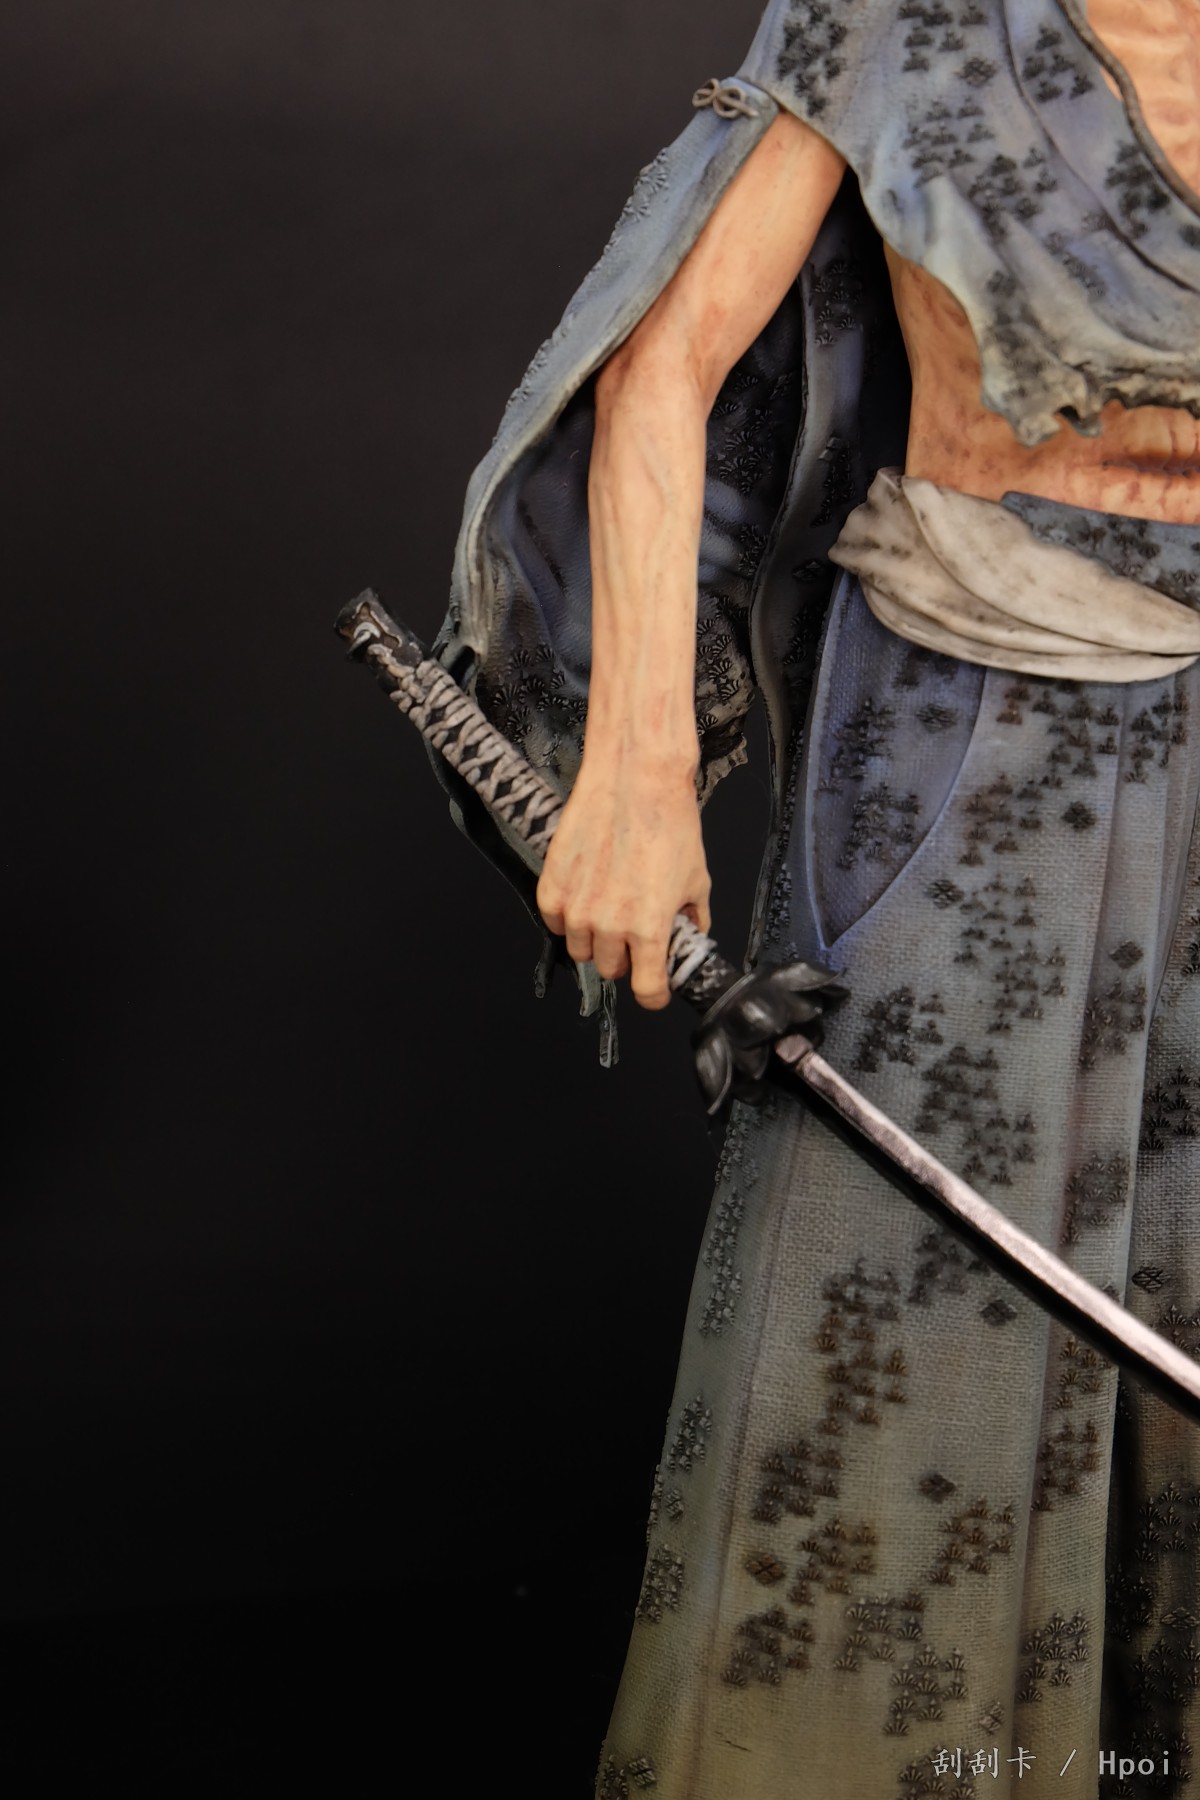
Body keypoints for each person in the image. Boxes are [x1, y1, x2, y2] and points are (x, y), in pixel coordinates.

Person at [432, 1, 1200, 1792]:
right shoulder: (903, 16)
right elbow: (666, 363)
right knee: (901, 1328)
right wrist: (634, 770)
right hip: (976, 725)